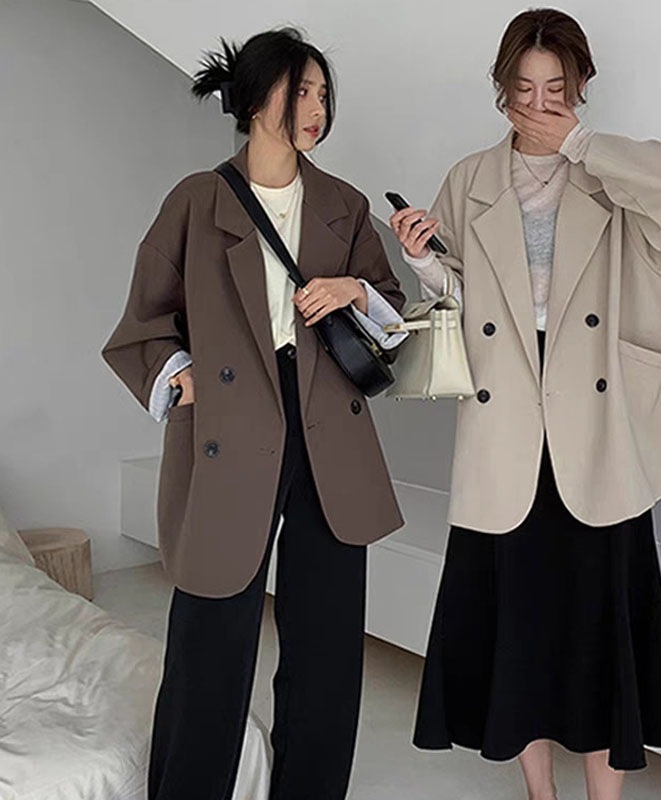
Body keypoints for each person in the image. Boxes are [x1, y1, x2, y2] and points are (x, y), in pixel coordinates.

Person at [389, 9, 661, 800]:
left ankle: (604, 795)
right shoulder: (471, 178)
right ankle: (541, 792)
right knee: (519, 625)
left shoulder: (615, 172)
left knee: (602, 624)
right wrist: (424, 262)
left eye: (555, 88)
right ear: (501, 87)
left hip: (595, 419)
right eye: (523, 88)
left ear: (580, 87)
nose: (537, 104)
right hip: (506, 413)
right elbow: (463, 297)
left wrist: (580, 145)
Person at [102, 27, 408, 800]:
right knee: (210, 643)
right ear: (255, 96)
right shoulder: (197, 201)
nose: (317, 108)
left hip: (327, 429)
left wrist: (355, 290)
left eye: (323, 93)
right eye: (301, 91)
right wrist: (183, 380)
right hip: (231, 430)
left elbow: (391, 313)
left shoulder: (343, 203)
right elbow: (143, 323)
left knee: (326, 649)